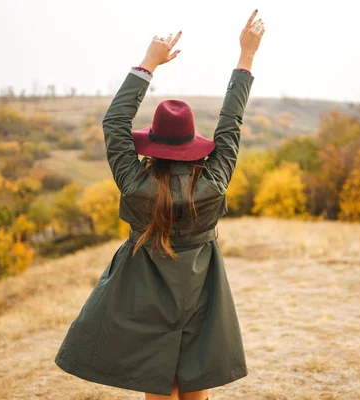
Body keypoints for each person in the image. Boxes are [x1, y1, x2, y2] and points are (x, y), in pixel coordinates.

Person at [54, 9, 265, 400]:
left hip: (143, 290)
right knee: (193, 377)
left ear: (153, 145)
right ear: (193, 146)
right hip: (202, 286)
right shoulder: (214, 183)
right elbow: (231, 123)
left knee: (158, 375)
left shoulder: (135, 184)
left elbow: (114, 124)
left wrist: (148, 64)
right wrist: (246, 56)